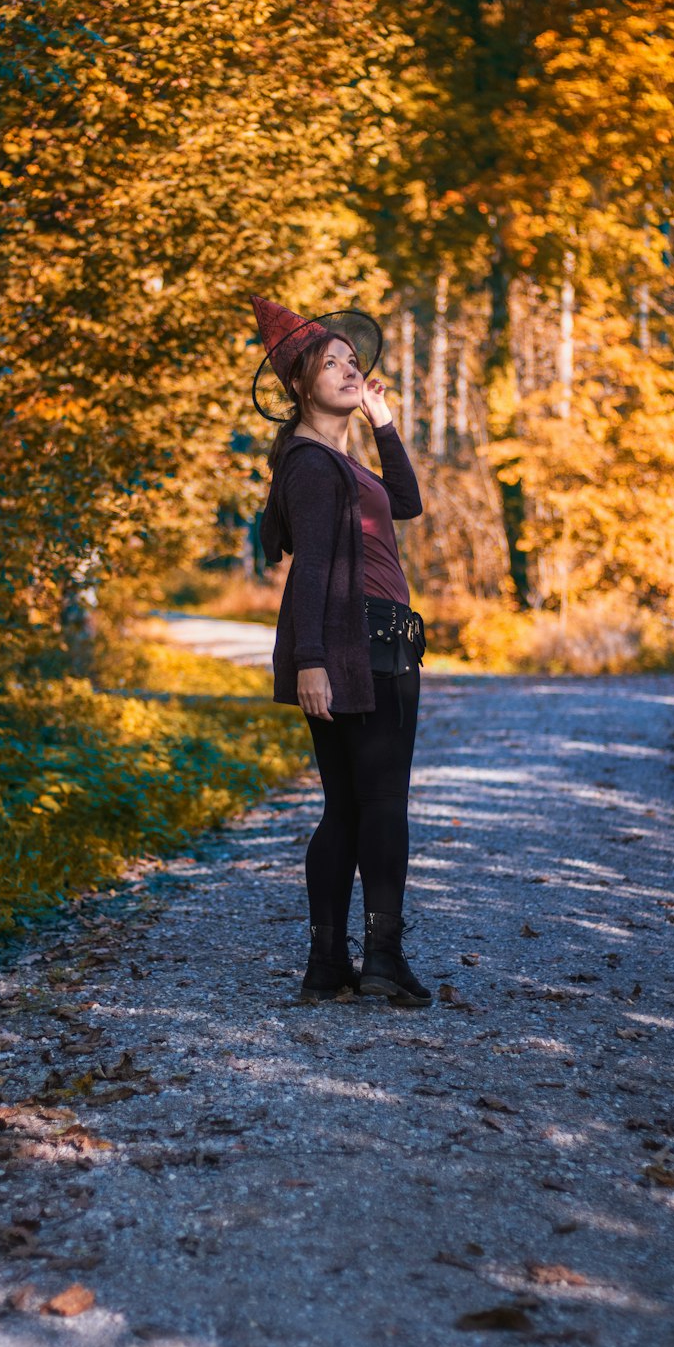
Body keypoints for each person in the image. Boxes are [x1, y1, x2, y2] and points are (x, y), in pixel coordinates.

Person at [251, 294, 431, 1007]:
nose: (350, 369)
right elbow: (315, 568)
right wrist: (312, 663)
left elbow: (408, 501)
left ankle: (329, 966)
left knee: (348, 810)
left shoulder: (334, 460)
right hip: (365, 645)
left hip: (370, 641)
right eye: (331, 363)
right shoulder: (311, 467)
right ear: (300, 384)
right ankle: (380, 960)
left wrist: (382, 421)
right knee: (378, 804)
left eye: (353, 360)